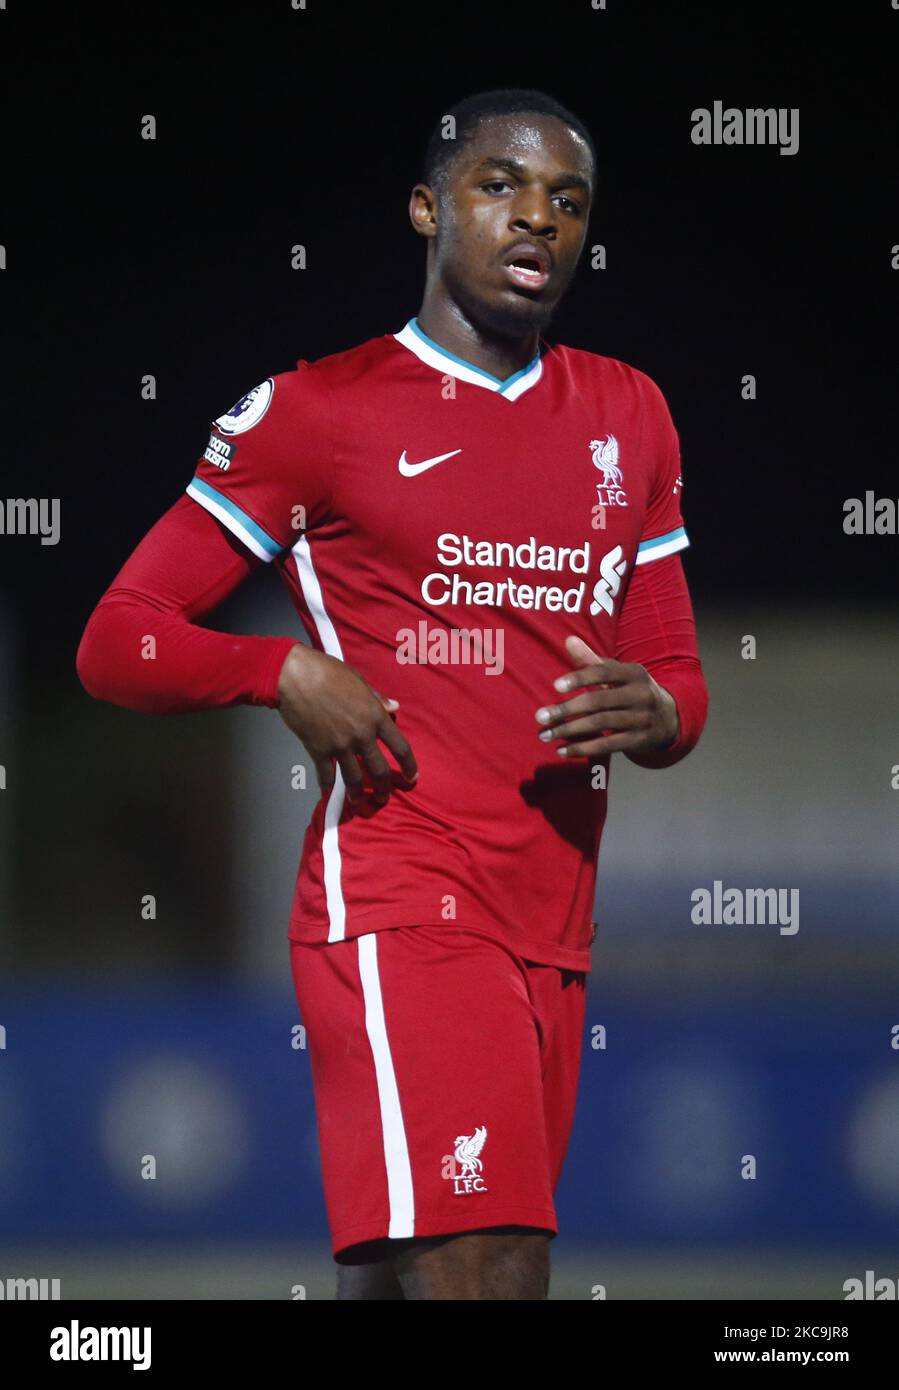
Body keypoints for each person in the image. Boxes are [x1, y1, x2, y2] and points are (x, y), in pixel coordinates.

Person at [77, 87, 709, 1300]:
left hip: (553, 922)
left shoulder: (629, 417)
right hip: (403, 897)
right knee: (493, 1263)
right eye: (499, 187)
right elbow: (117, 639)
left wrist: (663, 710)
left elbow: (677, 680)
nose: (536, 220)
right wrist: (280, 670)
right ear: (427, 208)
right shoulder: (317, 413)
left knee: (415, 1269)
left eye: (566, 202)